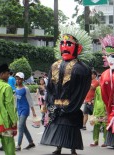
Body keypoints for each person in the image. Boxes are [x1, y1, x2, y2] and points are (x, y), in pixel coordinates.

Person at [40, 27, 92, 155]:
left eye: (69, 44)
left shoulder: (82, 69)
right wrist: (50, 103)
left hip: (71, 106)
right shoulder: (54, 65)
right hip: (56, 105)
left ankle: (73, 149)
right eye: (62, 44)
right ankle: (58, 147)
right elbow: (50, 88)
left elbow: (81, 90)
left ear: (78, 49)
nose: (64, 46)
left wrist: (72, 105)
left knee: (71, 127)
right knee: (57, 126)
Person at [15, 72, 37, 151]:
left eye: (19, 79)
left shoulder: (26, 89)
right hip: (19, 110)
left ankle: (18, 146)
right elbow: (16, 101)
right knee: (24, 127)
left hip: (25, 109)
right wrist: (15, 110)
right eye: (17, 78)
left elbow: (30, 100)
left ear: (22, 79)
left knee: (20, 126)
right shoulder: (16, 89)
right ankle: (31, 143)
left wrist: (33, 112)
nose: (17, 80)